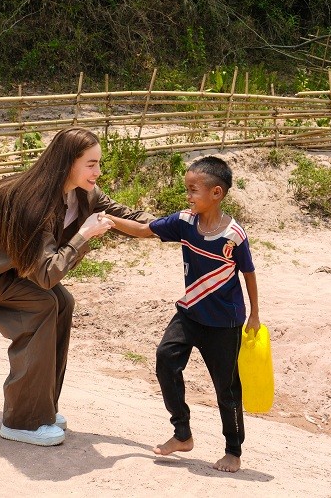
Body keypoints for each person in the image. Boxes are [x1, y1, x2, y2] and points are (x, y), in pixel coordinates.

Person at [0, 127, 155, 447]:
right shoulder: (35, 203)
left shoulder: (84, 194)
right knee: (41, 305)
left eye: (98, 163)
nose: (98, 171)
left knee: (62, 303)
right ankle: (22, 421)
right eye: (91, 164)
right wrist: (83, 236)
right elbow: (47, 275)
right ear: (68, 163)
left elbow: (129, 219)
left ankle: (42, 409)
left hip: (10, 261)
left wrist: (181, 226)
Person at [111, 155, 261, 473]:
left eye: (193, 190)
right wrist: (108, 221)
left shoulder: (234, 235)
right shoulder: (184, 222)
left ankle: (233, 450)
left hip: (224, 322)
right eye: (187, 189)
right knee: (166, 359)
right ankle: (182, 434)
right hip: (190, 312)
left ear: (216, 193)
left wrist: (255, 315)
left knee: (227, 387)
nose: (188, 196)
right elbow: (142, 229)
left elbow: (248, 272)